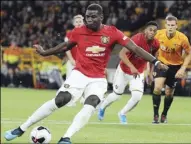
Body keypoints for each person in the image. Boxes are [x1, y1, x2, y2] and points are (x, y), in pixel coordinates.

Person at [4, 4, 168, 144]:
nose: (89, 19)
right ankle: (21, 128)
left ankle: (66, 138)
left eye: (93, 17)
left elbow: (136, 48)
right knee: (61, 100)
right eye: (87, 16)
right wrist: (45, 52)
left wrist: (155, 62)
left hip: (98, 79)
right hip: (79, 75)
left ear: (101, 17)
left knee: (91, 103)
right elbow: (64, 46)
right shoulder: (78, 31)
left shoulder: (112, 32)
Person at [98, 21, 160, 124]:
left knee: (137, 96)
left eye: (154, 31)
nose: (152, 32)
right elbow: (122, 54)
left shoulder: (156, 44)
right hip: (123, 69)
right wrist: (131, 67)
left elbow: (152, 59)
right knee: (117, 95)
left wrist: (150, 73)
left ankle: (122, 113)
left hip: (138, 72)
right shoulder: (137, 39)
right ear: (145, 30)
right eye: (150, 30)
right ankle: (102, 107)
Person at [150, 15, 191, 124]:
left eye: (172, 25)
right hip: (161, 64)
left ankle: (164, 114)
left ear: (176, 26)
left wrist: (182, 69)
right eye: (168, 25)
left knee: (169, 92)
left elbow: (189, 54)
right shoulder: (158, 34)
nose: (170, 27)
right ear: (165, 25)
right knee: (158, 87)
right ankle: (155, 115)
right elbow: (150, 47)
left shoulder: (182, 38)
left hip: (175, 66)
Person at [65, 15, 84, 79]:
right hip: (72, 62)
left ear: (83, 23)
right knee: (70, 80)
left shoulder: (87, 34)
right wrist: (71, 59)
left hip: (83, 62)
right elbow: (67, 48)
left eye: (80, 22)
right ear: (74, 23)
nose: (78, 23)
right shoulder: (69, 34)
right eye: (77, 22)